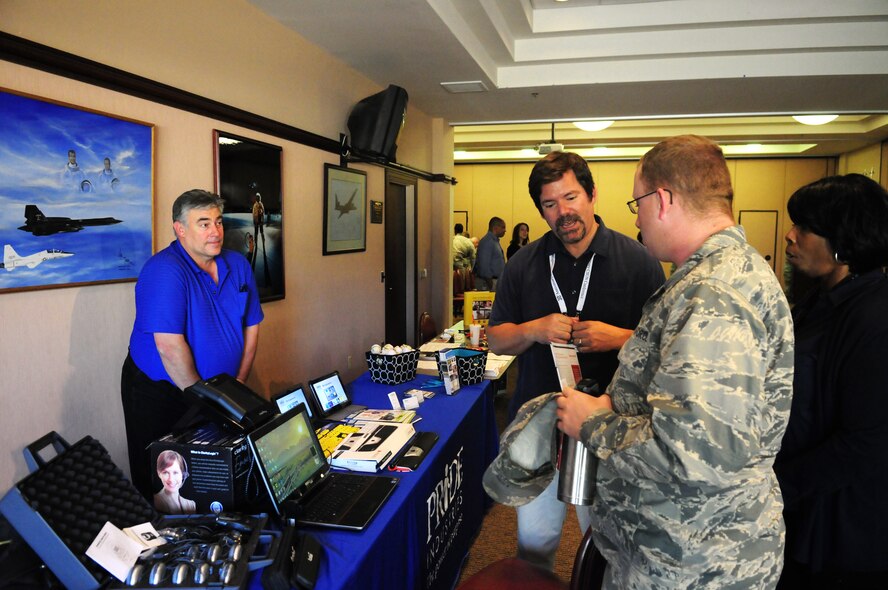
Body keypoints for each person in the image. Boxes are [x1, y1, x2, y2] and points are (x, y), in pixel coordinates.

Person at [555, 135, 794, 587]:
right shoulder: (722, 275)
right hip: (687, 546)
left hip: (690, 560)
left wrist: (592, 422)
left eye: (637, 203)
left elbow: (692, 456)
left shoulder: (712, 295)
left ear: (661, 199)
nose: (639, 219)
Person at [486, 151, 664, 570]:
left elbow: (667, 349)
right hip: (538, 424)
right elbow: (496, 339)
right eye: (550, 204)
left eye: (571, 197)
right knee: (535, 541)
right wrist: (532, 330)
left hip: (610, 424)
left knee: (606, 543)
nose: (563, 212)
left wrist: (618, 338)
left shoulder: (639, 262)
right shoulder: (524, 264)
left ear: (593, 195)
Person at [774, 174, 888, 589]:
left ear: (844, 239)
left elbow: (866, 441)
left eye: (804, 227)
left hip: (846, 529)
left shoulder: (875, 314)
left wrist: (774, 487)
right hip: (804, 505)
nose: (790, 236)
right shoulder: (820, 300)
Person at [121, 189, 264, 497]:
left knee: (207, 475)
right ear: (180, 229)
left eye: (218, 222)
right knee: (163, 480)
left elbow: (252, 325)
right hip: (160, 391)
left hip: (215, 389)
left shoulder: (237, 264)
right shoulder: (164, 270)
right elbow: (169, 347)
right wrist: (211, 403)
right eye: (203, 223)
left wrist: (236, 384)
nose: (215, 231)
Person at [153, 450, 196, 515]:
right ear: (159, 474)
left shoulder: (191, 504)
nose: (171, 479)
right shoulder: (155, 501)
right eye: (166, 473)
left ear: (183, 474)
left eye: (175, 473)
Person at [473, 216, 506, 291]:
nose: (505, 230)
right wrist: (491, 286)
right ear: (495, 228)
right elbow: (484, 267)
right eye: (503, 227)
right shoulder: (487, 242)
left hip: (493, 281)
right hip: (487, 283)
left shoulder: (494, 242)